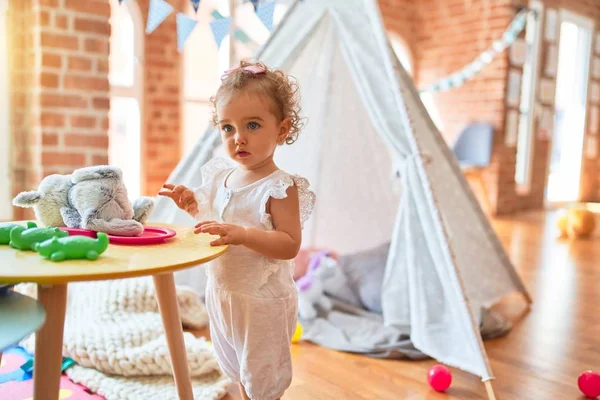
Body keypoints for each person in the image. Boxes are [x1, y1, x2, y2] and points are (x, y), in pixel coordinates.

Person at [159, 60, 315, 400]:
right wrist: (191, 203)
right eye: (227, 128)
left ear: (282, 130)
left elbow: (289, 244)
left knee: (261, 374)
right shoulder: (220, 176)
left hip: (262, 302)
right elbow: (214, 216)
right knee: (234, 366)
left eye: (253, 125)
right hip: (223, 291)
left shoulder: (280, 187)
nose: (238, 138)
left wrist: (244, 235)